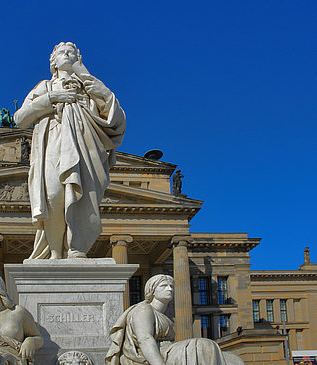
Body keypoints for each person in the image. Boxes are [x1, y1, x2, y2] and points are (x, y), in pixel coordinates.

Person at [14, 42, 126, 259]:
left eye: (71, 53)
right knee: (53, 196)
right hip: (54, 143)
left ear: (79, 58)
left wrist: (86, 76)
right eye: (62, 53)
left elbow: (116, 119)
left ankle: (77, 248)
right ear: (53, 61)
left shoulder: (90, 86)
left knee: (84, 199)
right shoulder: (44, 87)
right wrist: (52, 99)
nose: (67, 55)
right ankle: (55, 251)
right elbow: (20, 119)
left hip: (86, 147)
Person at [105, 274, 244, 365]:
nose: (169, 289)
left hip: (169, 351)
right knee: (205, 346)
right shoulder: (144, 310)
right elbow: (145, 340)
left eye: (171, 286)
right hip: (155, 355)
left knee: (235, 361)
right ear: (152, 290)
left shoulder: (163, 315)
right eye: (164, 286)